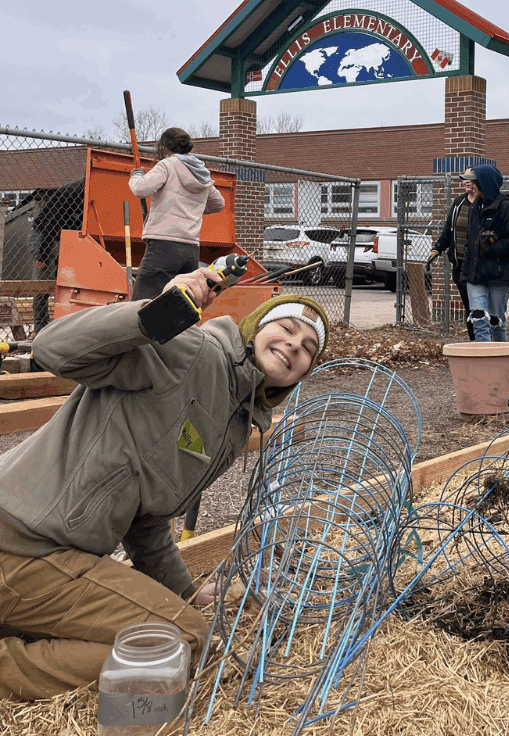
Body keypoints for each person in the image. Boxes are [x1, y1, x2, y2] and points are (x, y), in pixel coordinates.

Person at [0, 270, 329, 700]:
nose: (293, 345)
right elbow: (53, 348)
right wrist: (155, 315)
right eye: (286, 328)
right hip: (23, 543)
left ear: (304, 373)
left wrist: (186, 594)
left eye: (308, 349)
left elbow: (148, 521)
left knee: (174, 636)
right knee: (185, 644)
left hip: (54, 558)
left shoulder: (236, 421)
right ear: (255, 329)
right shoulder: (195, 354)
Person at [129, 127, 225, 300]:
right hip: (190, 249)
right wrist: (192, 207)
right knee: (179, 302)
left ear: (164, 148)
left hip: (163, 245)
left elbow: (140, 189)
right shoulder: (201, 172)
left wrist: (136, 175)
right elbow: (219, 203)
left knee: (143, 302)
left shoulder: (167, 164)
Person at [458, 164, 509, 342]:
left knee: (495, 320)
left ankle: (499, 357)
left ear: (485, 183)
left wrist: (492, 246)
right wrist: (465, 273)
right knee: (478, 317)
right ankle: (483, 359)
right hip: (475, 276)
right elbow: (469, 244)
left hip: (498, 274)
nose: (470, 185)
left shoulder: (505, 207)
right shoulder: (475, 206)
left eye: (474, 181)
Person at [428, 168, 482, 341]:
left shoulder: (486, 202)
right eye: (464, 179)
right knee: (469, 306)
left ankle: (487, 344)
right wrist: (438, 248)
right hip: (460, 265)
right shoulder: (459, 202)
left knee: (480, 307)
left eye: (470, 179)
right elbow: (448, 228)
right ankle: (475, 342)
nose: (466, 182)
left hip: (480, 266)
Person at [28, 181, 84, 334]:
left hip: (59, 239)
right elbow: (51, 224)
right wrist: (43, 255)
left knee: (64, 280)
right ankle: (40, 327)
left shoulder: (87, 194)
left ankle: (59, 323)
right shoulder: (71, 193)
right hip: (43, 237)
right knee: (43, 284)